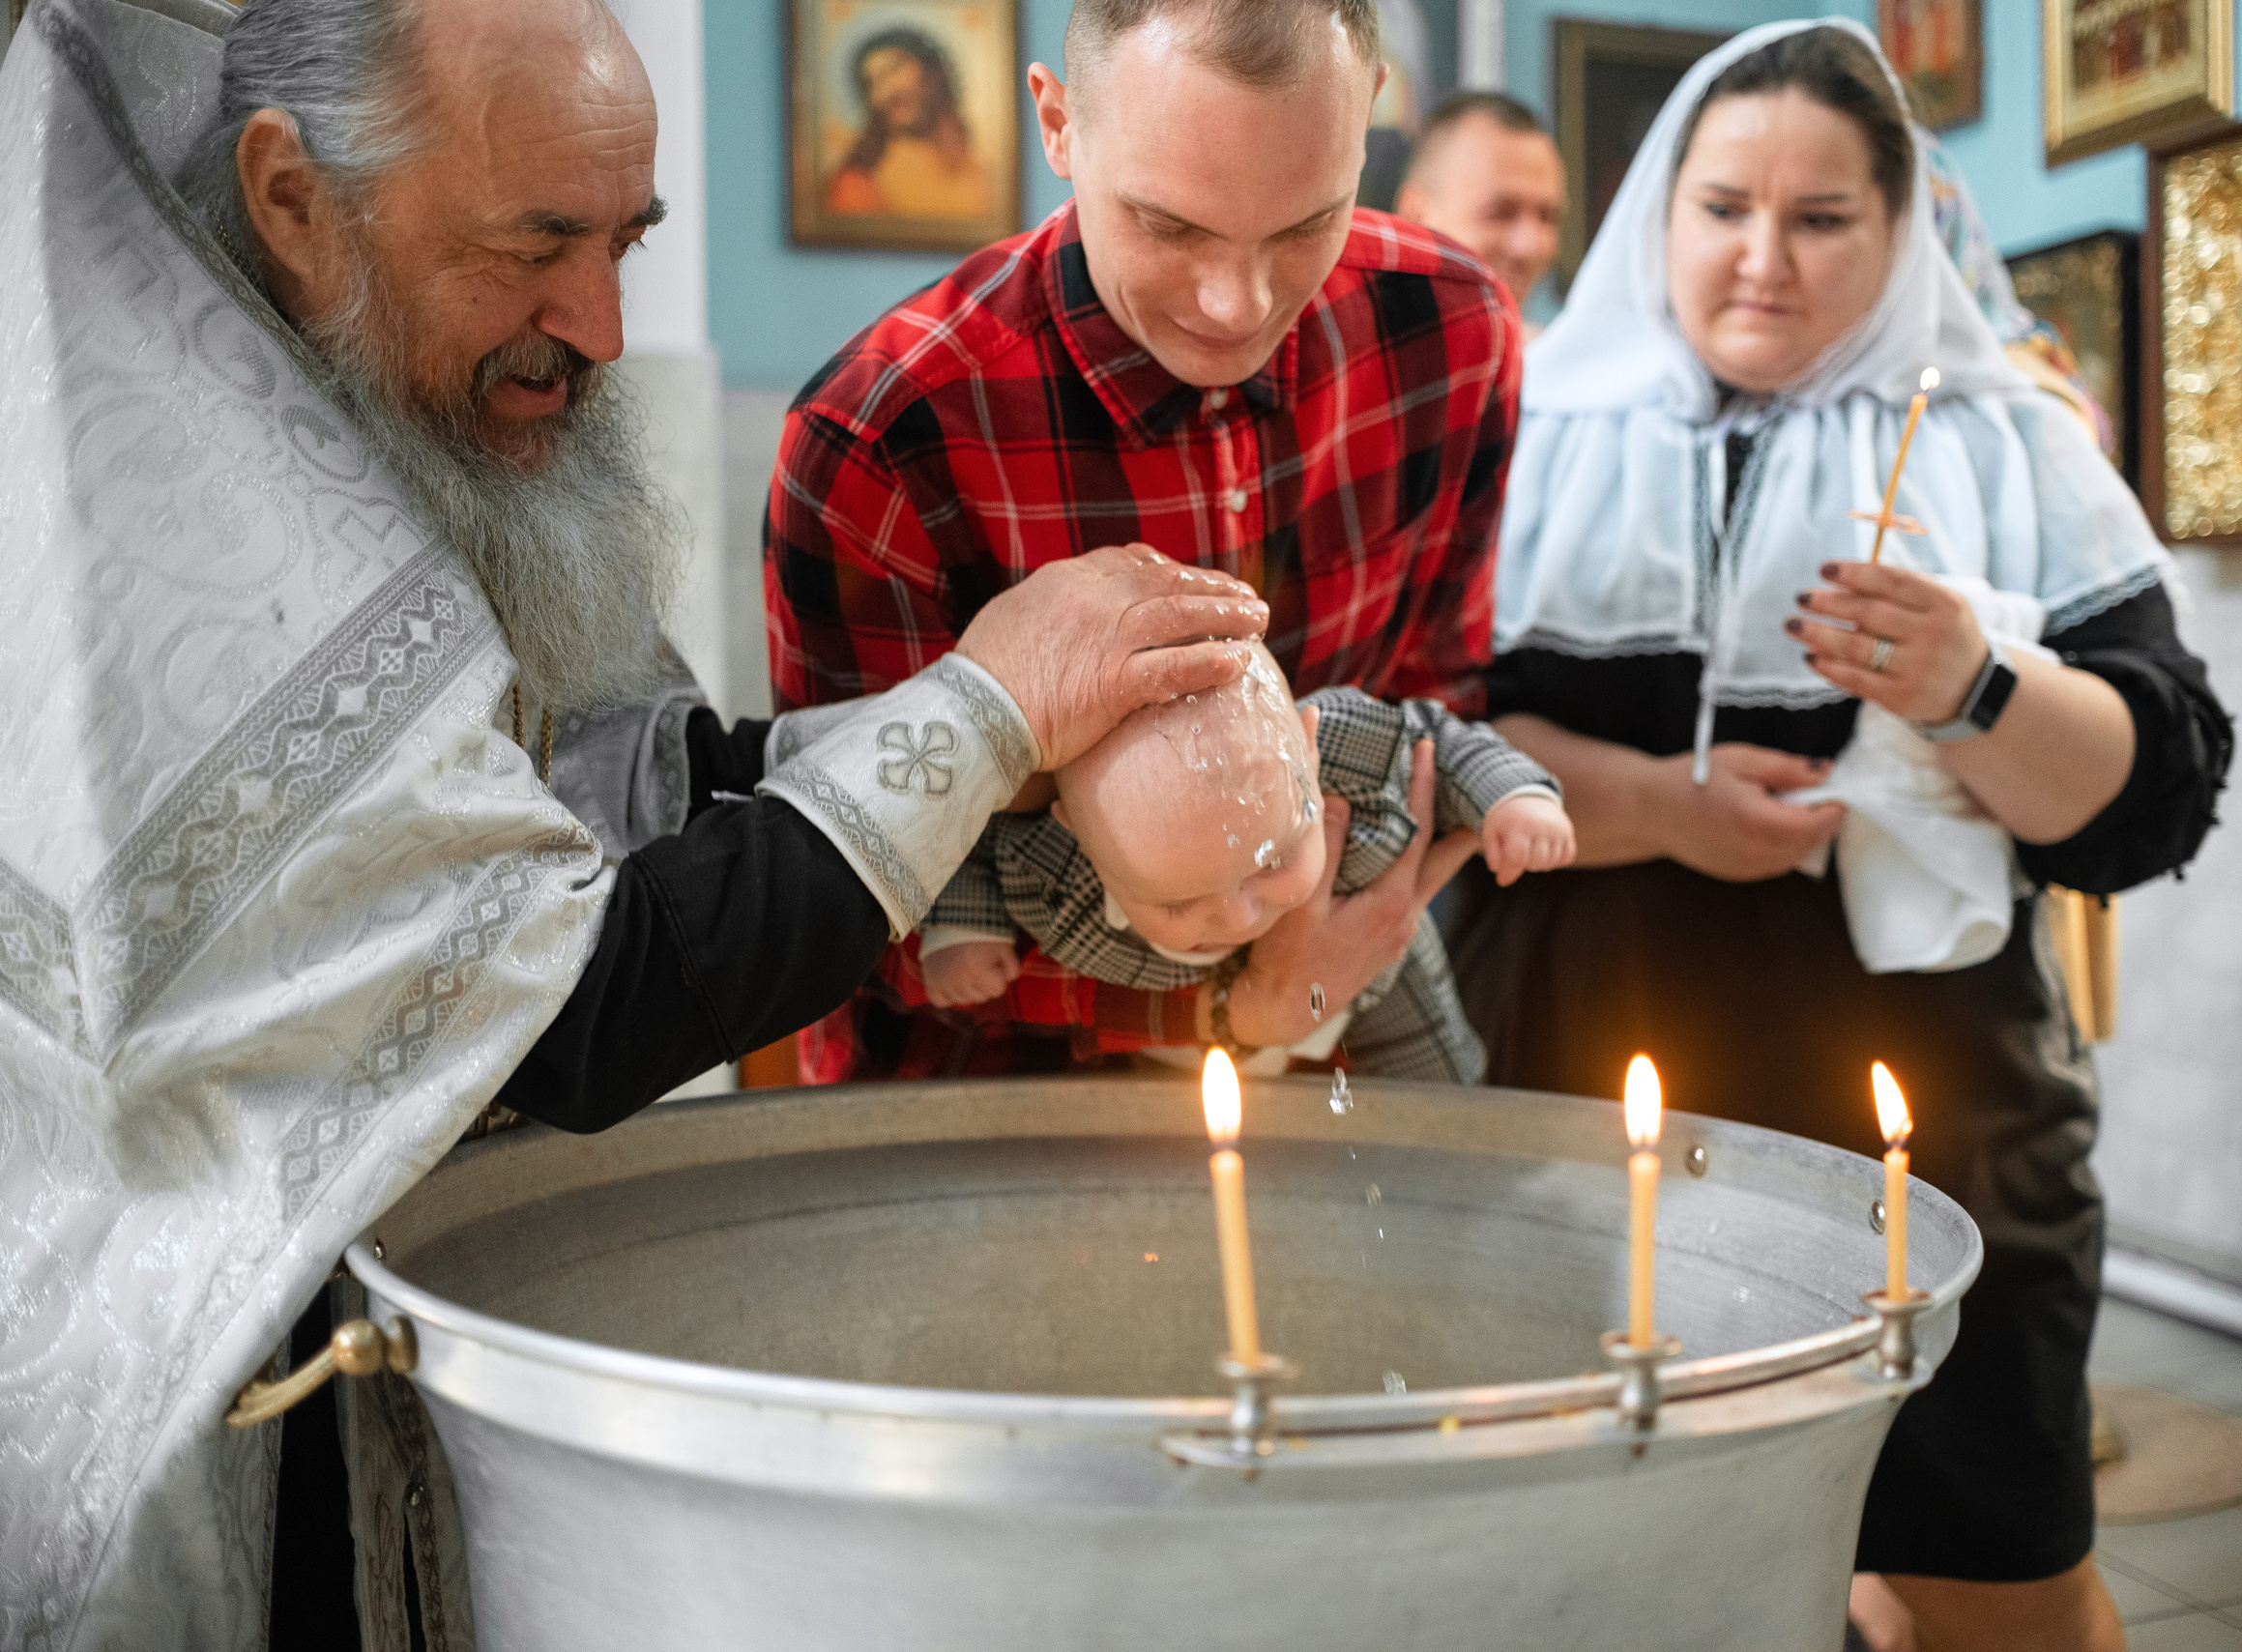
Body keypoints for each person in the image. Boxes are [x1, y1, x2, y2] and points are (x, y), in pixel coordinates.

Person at [0, 1, 1267, 1645]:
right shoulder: (161, 530)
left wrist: (992, 783)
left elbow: (586, 794)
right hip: (206, 1390)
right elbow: (562, 1004)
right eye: (536, 246)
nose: (597, 324)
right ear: (296, 201)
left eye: (625, 243)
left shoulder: (384, 384)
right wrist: (987, 705)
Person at [1444, 22, 2232, 1652]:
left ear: (1905, 229)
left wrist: (1976, 681)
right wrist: (1667, 806)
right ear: (1657, 214)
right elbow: (1422, 740)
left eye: (1822, 220)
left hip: (1934, 1133)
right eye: (1724, 205)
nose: (1764, 260)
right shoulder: (1527, 436)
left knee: (1990, 1574)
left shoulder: (2011, 440)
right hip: (1580, 1123)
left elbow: (2155, 791)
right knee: (1628, 1586)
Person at [767, 0, 1523, 1084]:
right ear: (1058, 122)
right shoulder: (882, 435)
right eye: (1171, 227)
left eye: (1307, 223)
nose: (1237, 302)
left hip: (1341, 1077)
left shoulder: (1451, 333)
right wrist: (1240, 1000)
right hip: (981, 1121)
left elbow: (1430, 707)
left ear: (1369, 117)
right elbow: (848, 903)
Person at [916, 641, 1572, 1079]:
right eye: (1176, 897)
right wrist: (964, 926)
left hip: (1378, 963)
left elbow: (1441, 739)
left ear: (1309, 755)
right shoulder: (1046, 873)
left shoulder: (1340, 742)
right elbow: (970, 828)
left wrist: (1511, 799)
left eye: (1270, 857)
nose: (1238, 913)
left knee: (1441, 1092)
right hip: (1185, 1031)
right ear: (1078, 837)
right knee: (1176, 1154)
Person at [1392, 90, 1566, 324]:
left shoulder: (1547, 356)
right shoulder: (1355, 350)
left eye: (1548, 217)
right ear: (1414, 214)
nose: (1529, 246)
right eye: (1500, 213)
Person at [827, 26, 994, 220]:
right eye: (874, 82)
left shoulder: (980, 166)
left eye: (894, 69)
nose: (889, 90)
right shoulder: (857, 180)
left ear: (932, 73)